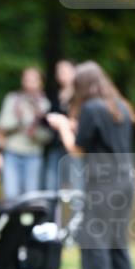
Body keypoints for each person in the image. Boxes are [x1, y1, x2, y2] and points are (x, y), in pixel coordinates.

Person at [47, 61, 135, 269]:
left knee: (93, 241)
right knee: (118, 241)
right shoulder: (119, 106)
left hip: (102, 182)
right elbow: (101, 138)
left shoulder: (89, 107)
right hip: (125, 179)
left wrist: (63, 127)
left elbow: (77, 150)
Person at [0, 66, 52, 199]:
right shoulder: (13, 99)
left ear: (40, 82)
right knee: (10, 194)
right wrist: (19, 120)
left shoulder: (45, 104)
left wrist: (35, 128)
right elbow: (3, 124)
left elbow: (48, 136)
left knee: (31, 196)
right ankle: (13, 221)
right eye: (27, 80)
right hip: (12, 153)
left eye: (34, 80)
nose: (30, 83)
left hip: (34, 154)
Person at [44, 59, 75, 193]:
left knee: (74, 185)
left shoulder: (80, 95)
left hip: (74, 147)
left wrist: (64, 123)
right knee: (51, 186)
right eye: (59, 71)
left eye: (64, 70)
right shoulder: (54, 95)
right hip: (55, 145)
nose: (61, 74)